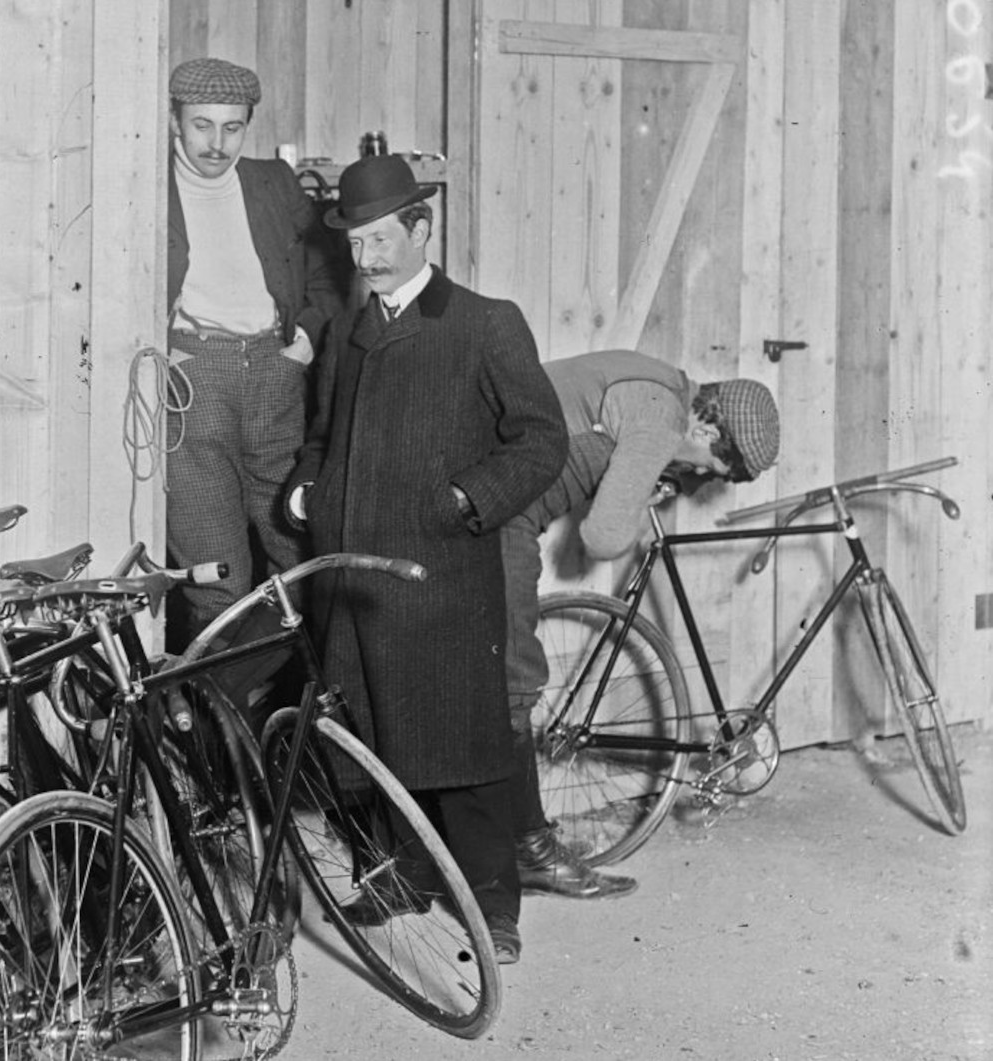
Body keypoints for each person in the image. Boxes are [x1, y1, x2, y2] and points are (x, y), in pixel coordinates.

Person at [284, 154, 569, 964]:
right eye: (355, 243)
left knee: (462, 747)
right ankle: (400, 873)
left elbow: (541, 440)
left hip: (441, 576)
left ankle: (491, 902)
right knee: (370, 738)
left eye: (381, 239)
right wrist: (308, 491)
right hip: (353, 574)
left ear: (421, 228)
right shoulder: (348, 330)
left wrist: (465, 503)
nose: (366, 258)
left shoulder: (485, 323)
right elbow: (320, 437)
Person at [503, 348, 781, 897]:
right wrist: (631, 503)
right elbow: (603, 537)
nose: (698, 473)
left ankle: (518, 837)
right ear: (704, 423)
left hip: (499, 496)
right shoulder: (660, 418)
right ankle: (528, 852)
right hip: (497, 514)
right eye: (708, 464)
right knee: (514, 683)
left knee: (505, 680)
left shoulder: (662, 386)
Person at [164, 57, 343, 651]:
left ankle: (297, 725)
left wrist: (304, 343)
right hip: (195, 379)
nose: (217, 144)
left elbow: (326, 275)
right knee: (217, 576)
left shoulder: (273, 183)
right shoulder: (145, 185)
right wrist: (165, 353)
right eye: (202, 126)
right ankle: (220, 735)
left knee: (300, 552)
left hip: (275, 371)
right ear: (174, 122)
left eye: (232, 127)